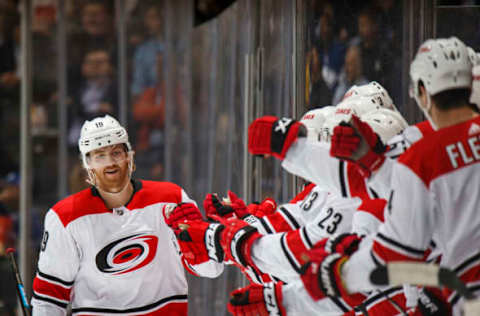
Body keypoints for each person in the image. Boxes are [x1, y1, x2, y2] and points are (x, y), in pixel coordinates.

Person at [304, 37, 479, 315]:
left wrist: (339, 273)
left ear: (423, 92)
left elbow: (397, 250)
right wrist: (377, 167)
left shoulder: (421, 157)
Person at [31, 115, 223, 315]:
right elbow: (49, 297)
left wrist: (198, 245)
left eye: (116, 153)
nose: (110, 163)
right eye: (100, 156)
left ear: (129, 156)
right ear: (88, 165)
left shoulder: (171, 199)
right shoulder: (65, 217)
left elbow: (212, 270)